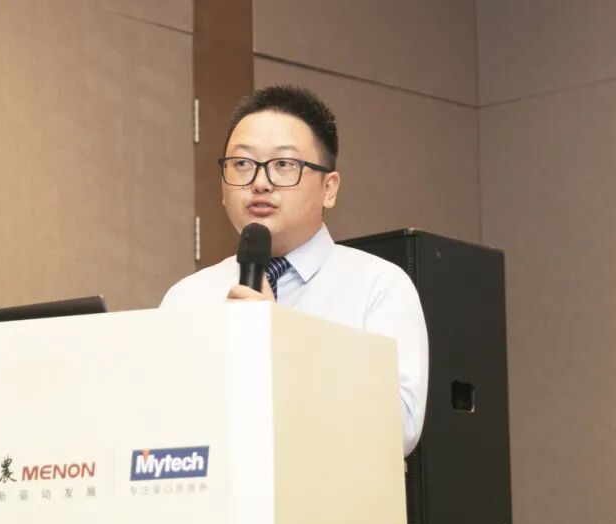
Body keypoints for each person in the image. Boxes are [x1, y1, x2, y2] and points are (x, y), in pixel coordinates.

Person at [160, 84, 428, 455]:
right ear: (222, 187)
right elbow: (162, 421)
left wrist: (283, 344)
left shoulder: (378, 287)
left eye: (284, 165)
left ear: (329, 188)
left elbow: (401, 428)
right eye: (242, 164)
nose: (260, 182)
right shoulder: (187, 297)